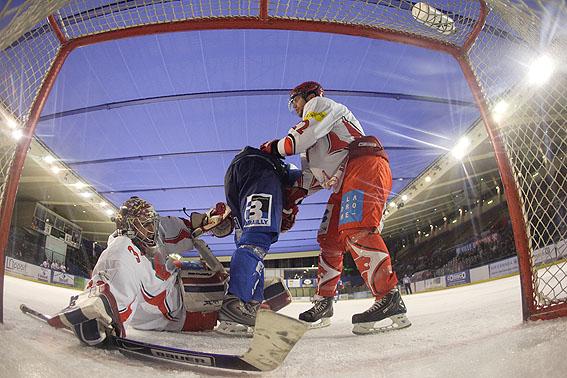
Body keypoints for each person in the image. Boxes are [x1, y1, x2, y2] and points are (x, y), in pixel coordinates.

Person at [260, 81, 410, 334]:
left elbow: (294, 141)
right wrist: (290, 201)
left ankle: (389, 297)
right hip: (346, 178)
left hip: (364, 166)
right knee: (329, 240)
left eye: (295, 99)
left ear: (308, 95)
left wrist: (272, 147)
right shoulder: (315, 137)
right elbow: (311, 180)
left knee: (357, 230)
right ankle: (325, 301)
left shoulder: (319, 105)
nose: (294, 105)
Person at [48, 196, 234, 346]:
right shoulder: (122, 250)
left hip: (175, 299)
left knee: (213, 275)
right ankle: (234, 309)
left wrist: (204, 221)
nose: (152, 229)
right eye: (145, 225)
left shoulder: (150, 232)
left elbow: (182, 228)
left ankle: (235, 308)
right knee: (215, 283)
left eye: (152, 223)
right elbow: (105, 287)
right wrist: (93, 316)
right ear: (127, 227)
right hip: (172, 314)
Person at [218, 146, 300, 335]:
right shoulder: (291, 187)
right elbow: (300, 177)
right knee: (257, 241)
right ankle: (234, 306)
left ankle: (250, 306)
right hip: (261, 170)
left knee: (249, 245)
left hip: (235, 175)